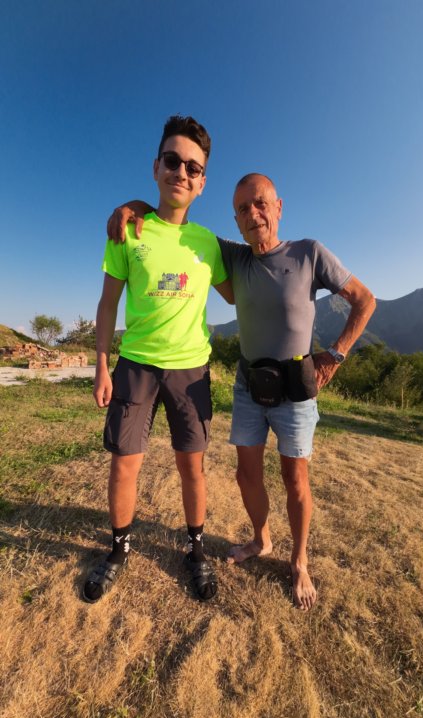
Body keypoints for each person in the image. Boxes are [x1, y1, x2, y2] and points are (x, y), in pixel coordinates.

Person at [107, 174, 376, 612]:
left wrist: (334, 356)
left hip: (296, 388)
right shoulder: (234, 256)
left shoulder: (309, 253)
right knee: (246, 475)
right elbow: (176, 222)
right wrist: (134, 205)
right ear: (235, 219)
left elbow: (364, 300)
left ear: (278, 207)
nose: (253, 214)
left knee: (295, 479)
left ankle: (300, 561)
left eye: (261, 203)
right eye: (243, 209)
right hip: (249, 385)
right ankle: (261, 539)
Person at [82, 115, 234, 605]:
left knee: (193, 468)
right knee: (124, 466)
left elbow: (239, 293)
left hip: (191, 370)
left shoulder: (209, 243)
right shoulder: (128, 231)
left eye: (193, 167)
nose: (181, 172)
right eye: (173, 160)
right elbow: (108, 304)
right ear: (156, 167)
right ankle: (118, 550)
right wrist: (101, 365)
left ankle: (196, 550)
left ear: (203, 182)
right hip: (136, 366)